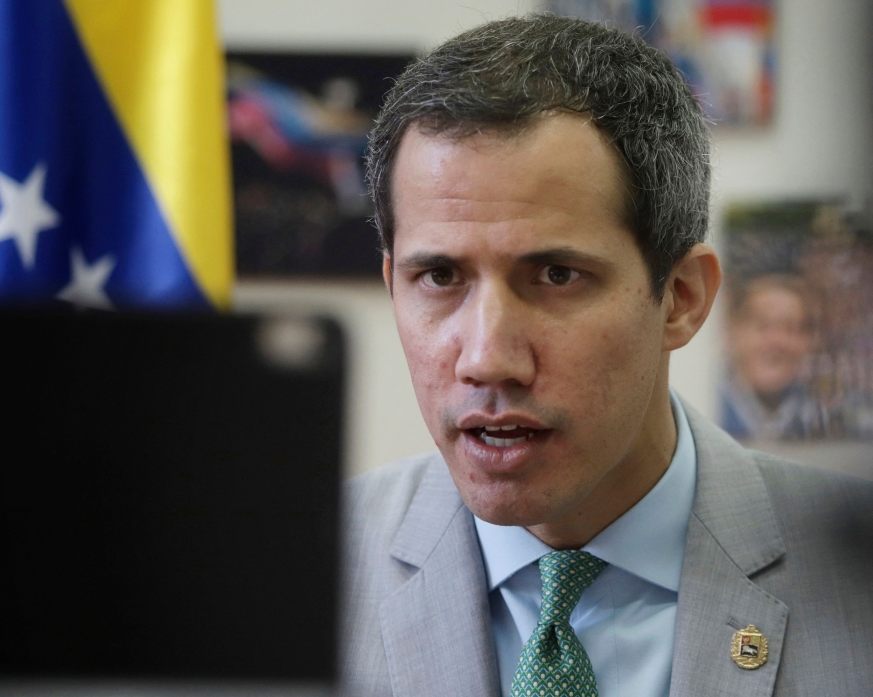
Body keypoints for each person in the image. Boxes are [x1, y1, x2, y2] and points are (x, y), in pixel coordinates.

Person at [341, 14, 873, 697]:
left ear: (680, 297)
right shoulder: (291, 572)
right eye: (440, 277)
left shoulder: (855, 580)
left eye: (556, 275)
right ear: (393, 286)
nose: (487, 359)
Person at [720, 274, 821, 440]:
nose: (777, 341)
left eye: (791, 328)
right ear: (733, 333)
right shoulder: (706, 407)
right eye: (763, 325)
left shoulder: (824, 417)